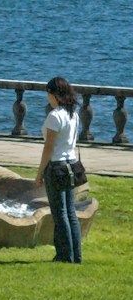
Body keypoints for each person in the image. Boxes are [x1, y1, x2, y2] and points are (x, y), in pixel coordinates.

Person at [36, 76, 84, 263]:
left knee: (60, 213)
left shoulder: (55, 116)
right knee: (70, 212)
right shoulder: (73, 113)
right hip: (71, 164)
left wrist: (39, 173)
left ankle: (65, 255)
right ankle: (76, 255)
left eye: (48, 93)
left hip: (56, 167)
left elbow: (48, 148)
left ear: (53, 94)